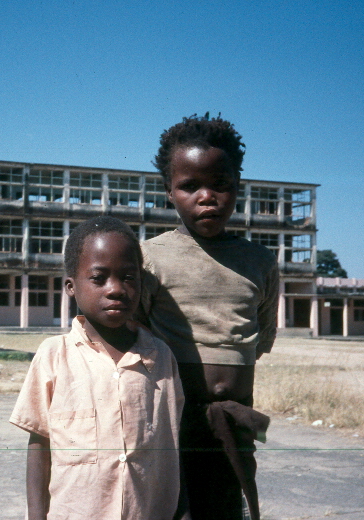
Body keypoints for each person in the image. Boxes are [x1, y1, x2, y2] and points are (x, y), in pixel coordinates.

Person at [137, 114, 278, 520]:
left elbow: (260, 337)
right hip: (171, 418)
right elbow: (138, 333)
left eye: (220, 184)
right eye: (190, 186)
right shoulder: (150, 258)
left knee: (227, 507)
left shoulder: (259, 262)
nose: (207, 197)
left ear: (238, 186)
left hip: (234, 419)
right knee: (173, 508)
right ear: (169, 191)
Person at [10, 216, 185, 520]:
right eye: (99, 278)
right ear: (71, 286)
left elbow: (173, 443)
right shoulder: (54, 356)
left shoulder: (161, 357)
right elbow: (39, 444)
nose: (116, 289)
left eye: (128, 277)